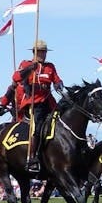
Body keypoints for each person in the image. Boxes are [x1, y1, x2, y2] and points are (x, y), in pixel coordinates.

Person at [11, 39, 65, 173]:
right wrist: (30, 68)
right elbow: (15, 77)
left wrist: (59, 84)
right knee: (37, 127)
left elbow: (56, 79)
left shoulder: (50, 66)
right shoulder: (26, 63)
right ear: (34, 52)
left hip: (48, 101)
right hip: (34, 102)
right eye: (39, 52)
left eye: (44, 52)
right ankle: (32, 157)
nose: (42, 54)